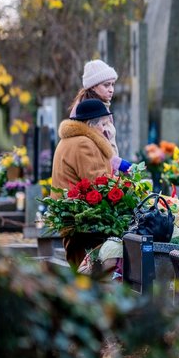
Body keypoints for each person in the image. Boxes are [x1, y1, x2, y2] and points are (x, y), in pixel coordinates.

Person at [51, 98, 117, 268]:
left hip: (75, 221)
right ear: (89, 124)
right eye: (102, 124)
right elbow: (99, 183)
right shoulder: (83, 143)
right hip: (84, 223)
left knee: (80, 271)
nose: (104, 129)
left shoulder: (69, 140)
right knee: (87, 272)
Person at [69, 59, 131, 174]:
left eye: (113, 84)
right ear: (92, 86)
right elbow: (93, 149)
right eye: (106, 85)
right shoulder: (88, 111)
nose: (111, 90)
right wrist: (118, 163)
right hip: (97, 174)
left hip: (106, 172)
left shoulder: (103, 106)